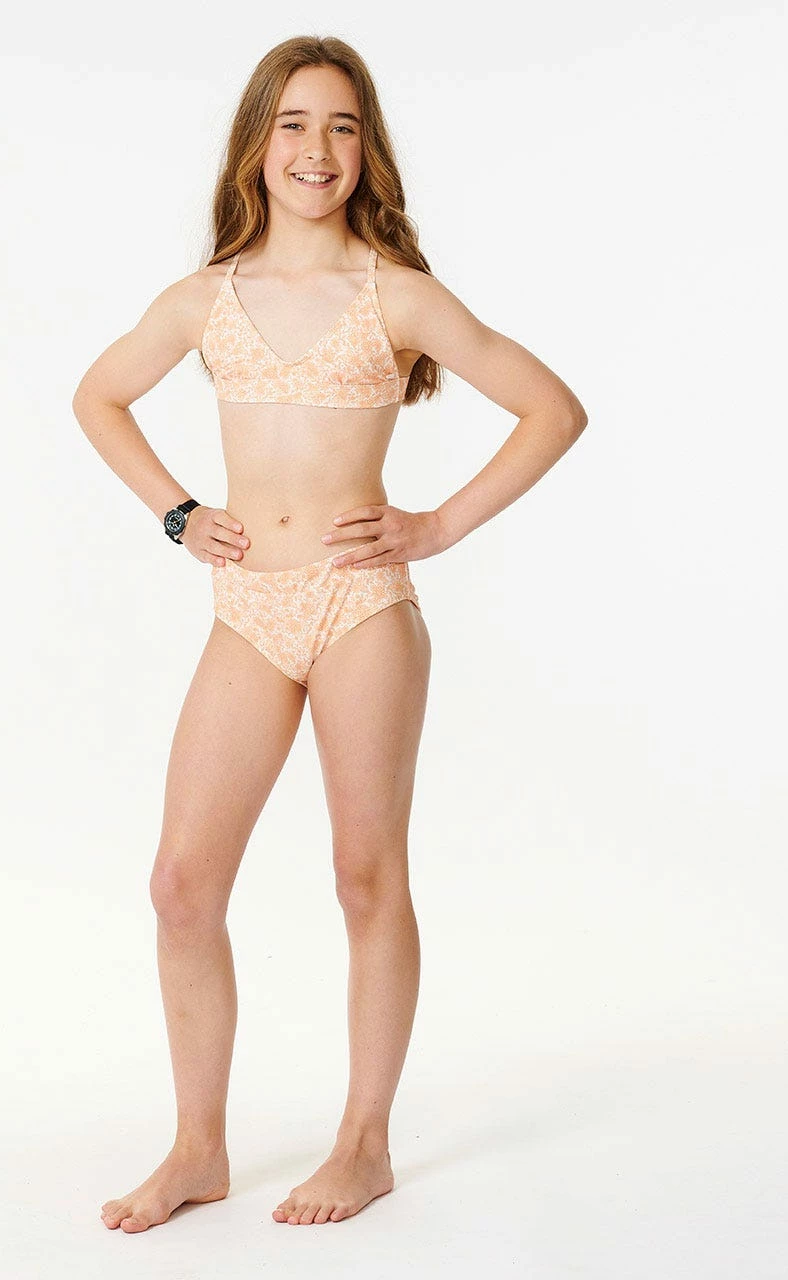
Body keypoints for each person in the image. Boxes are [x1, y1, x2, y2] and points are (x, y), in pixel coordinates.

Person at [72, 34, 587, 1233]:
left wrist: (436, 524)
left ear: (369, 149)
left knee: (365, 872)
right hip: (248, 609)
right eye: (295, 123)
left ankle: (365, 1141)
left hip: (362, 608)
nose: (319, 149)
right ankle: (199, 1145)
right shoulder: (205, 298)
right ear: (257, 142)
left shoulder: (393, 292)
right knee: (182, 882)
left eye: (344, 126)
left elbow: (552, 408)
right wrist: (179, 513)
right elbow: (98, 395)